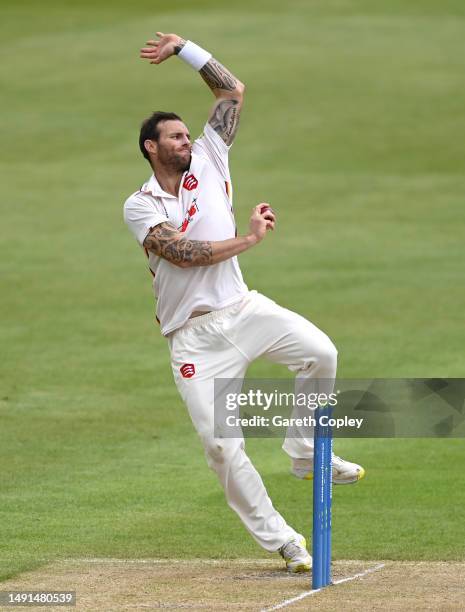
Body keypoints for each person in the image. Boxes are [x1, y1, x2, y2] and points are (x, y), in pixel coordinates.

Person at [124, 32, 365, 573]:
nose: (187, 140)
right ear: (151, 147)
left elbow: (232, 89)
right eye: (175, 137)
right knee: (220, 447)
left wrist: (186, 48)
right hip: (193, 338)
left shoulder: (212, 155)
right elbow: (182, 254)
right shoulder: (140, 205)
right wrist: (250, 241)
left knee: (320, 352)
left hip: (243, 308)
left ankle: (304, 451)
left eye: (189, 133)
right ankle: (283, 540)